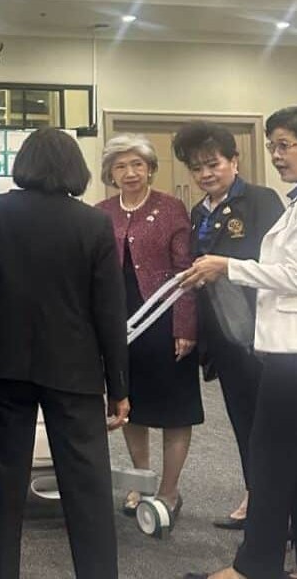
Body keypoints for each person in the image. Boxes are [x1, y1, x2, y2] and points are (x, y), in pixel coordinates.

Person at [0, 128, 128, 577]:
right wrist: (119, 386)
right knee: (88, 488)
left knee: (3, 485)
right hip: (75, 371)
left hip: (3, 366)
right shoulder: (94, 223)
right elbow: (109, 311)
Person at [181, 106, 297, 579]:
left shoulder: (265, 201)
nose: (276, 154)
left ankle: (255, 566)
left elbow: (294, 274)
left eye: (285, 145)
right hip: (273, 344)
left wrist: (227, 267)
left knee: (271, 456)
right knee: (283, 455)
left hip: (289, 350)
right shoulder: (294, 202)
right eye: (272, 146)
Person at [173, 121, 284, 530]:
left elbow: (278, 265)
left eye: (213, 163)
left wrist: (226, 267)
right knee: (242, 418)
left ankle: (278, 509)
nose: (205, 173)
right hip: (223, 335)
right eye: (196, 167)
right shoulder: (199, 212)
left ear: (234, 161)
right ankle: (257, 496)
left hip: (260, 331)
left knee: (271, 423)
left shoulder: (260, 201)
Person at [97, 134, 199, 520]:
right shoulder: (101, 212)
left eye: (137, 164)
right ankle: (141, 483)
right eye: (121, 166)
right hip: (120, 324)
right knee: (130, 405)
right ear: (110, 173)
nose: (130, 172)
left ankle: (169, 491)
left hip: (165, 320)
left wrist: (186, 325)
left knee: (176, 409)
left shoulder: (171, 208)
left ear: (151, 168)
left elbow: (186, 272)